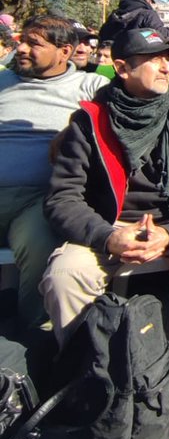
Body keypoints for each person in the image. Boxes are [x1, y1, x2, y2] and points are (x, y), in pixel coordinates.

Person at [40, 29, 169, 413]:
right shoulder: (89, 121)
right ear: (122, 68)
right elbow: (62, 198)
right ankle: (93, 372)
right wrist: (108, 237)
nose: (166, 65)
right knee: (64, 273)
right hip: (108, 224)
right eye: (154, 58)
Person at [0, 16, 102, 328]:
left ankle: (29, 335)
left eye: (34, 44)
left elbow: (125, 110)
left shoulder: (90, 87)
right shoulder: (2, 82)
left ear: (65, 51)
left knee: (43, 243)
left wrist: (77, 125)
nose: (22, 49)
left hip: (38, 199)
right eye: (22, 41)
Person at [97, 0, 169, 45]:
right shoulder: (148, 14)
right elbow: (161, 35)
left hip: (111, 57)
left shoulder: (113, 15)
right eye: (151, 2)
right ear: (148, 0)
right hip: (136, 59)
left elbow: (102, 35)